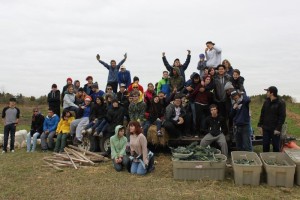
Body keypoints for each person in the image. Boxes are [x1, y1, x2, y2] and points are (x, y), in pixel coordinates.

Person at [258, 86, 286, 152]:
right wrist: (260, 125)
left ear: (272, 93)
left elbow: (282, 117)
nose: (266, 93)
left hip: (275, 129)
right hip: (266, 128)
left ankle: (276, 161)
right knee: (265, 145)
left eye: (268, 92)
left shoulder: (280, 103)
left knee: (276, 146)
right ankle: (265, 160)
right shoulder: (266, 102)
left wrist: (278, 129)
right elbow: (262, 114)